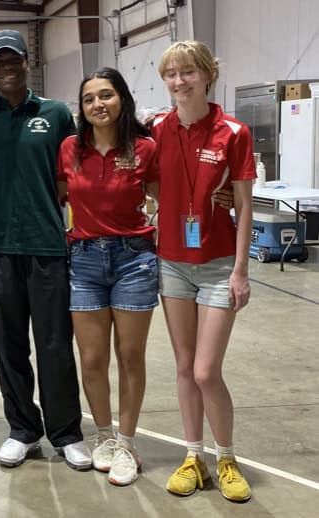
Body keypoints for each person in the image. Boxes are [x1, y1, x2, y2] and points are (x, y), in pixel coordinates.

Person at [0, 29, 92, 470]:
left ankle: (66, 433)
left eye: (15, 60)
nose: (8, 67)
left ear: (27, 63)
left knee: (54, 343)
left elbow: (76, 175)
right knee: (8, 343)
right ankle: (22, 429)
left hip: (47, 245)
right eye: (0, 61)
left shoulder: (53, 115)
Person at [151, 40, 254, 502]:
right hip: (172, 263)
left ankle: (226, 457)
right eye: (171, 74)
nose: (179, 81)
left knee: (207, 370)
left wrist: (239, 271)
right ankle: (193, 456)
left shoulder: (234, 132)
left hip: (215, 267)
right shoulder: (156, 129)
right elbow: (147, 182)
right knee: (184, 367)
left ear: (208, 74)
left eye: (188, 72)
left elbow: (246, 206)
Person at [57, 67, 159, 485]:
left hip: (134, 260)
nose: (98, 104)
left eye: (106, 95)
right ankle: (103, 434)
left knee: (130, 357)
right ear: (81, 108)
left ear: (121, 99)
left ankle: (127, 442)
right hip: (83, 260)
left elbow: (166, 195)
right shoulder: (69, 149)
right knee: (93, 359)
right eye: (88, 99)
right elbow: (57, 196)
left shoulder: (146, 148)